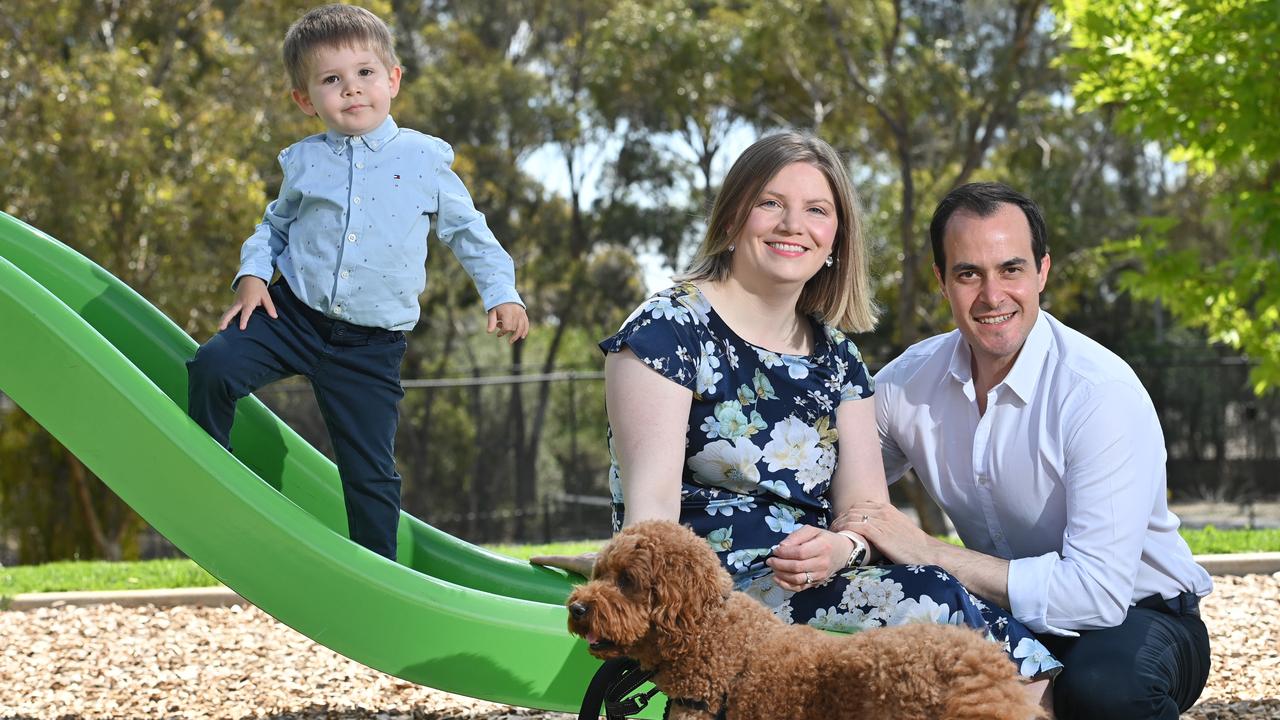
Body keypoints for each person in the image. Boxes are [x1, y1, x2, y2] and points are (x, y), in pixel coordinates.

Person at [535, 134, 1060, 698]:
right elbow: (651, 522)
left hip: (821, 575)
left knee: (953, 599)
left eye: (817, 210)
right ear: (734, 215)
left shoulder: (838, 357)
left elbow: (866, 511)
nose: (793, 225)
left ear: (836, 237)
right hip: (709, 591)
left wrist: (841, 549)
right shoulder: (667, 331)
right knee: (929, 605)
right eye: (770, 203)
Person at [836, 182, 1212, 719]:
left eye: (1011, 269)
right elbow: (835, 484)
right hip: (999, 612)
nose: (992, 296)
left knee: (1103, 692)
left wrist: (932, 553)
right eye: (969, 273)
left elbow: (1097, 595)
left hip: (1139, 616)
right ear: (941, 280)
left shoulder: (1098, 393)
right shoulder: (905, 385)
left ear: (1042, 271)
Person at [186, 4, 528, 561]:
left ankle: (378, 572)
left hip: (369, 348)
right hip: (290, 316)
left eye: (365, 73)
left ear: (392, 79)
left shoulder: (424, 159)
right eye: (331, 80)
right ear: (306, 98)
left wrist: (502, 292)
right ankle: (211, 479)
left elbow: (469, 232)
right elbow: (273, 227)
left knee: (369, 472)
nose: (351, 90)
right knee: (212, 366)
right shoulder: (304, 162)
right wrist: (252, 277)